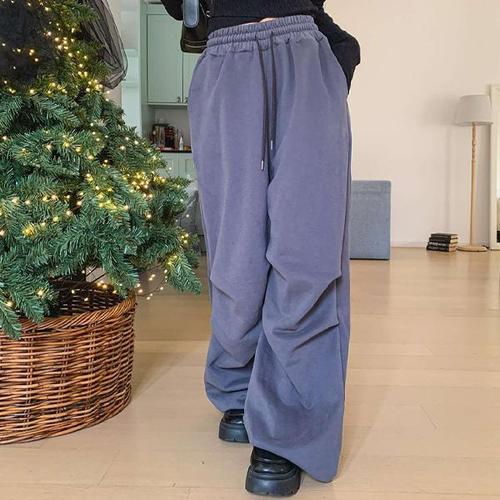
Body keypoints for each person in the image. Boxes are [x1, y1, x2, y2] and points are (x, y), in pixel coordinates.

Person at [161, 1, 360, 496]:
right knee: (235, 253)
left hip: (303, 48)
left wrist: (338, 55)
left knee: (306, 252)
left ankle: (289, 423)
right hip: (226, 54)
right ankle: (240, 384)